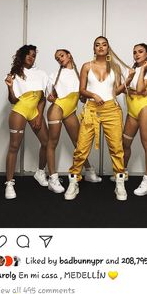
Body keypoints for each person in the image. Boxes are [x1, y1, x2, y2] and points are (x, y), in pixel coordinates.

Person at [64, 36, 135, 201]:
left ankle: (119, 182)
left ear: (108, 47)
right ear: (94, 48)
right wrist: (93, 94)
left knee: (117, 148)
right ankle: (74, 181)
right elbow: (81, 89)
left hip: (111, 109)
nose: (101, 47)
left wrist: (129, 78)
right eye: (97, 45)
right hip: (91, 109)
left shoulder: (115, 67)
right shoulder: (86, 66)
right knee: (81, 147)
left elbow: (115, 91)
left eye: (104, 45)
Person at [47, 48, 101, 193]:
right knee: (52, 143)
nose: (60, 59)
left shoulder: (80, 74)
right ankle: (53, 178)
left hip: (71, 111)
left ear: (69, 55)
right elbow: (50, 96)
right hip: (57, 109)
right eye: (57, 58)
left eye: (61, 55)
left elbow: (82, 97)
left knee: (79, 143)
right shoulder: (54, 75)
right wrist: (50, 97)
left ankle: (89, 171)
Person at [4, 45, 49, 200]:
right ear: (22, 56)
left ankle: (40, 172)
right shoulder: (15, 73)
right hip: (20, 110)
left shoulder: (42, 74)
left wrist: (39, 115)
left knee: (47, 142)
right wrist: (9, 88)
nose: (31, 57)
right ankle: (9, 183)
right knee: (14, 146)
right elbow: (13, 100)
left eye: (34, 55)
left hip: (35, 110)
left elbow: (42, 97)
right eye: (28, 54)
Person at [120, 43, 147, 196]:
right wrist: (131, 84)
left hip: (145, 108)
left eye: (140, 52)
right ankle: (123, 172)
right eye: (134, 52)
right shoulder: (129, 70)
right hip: (132, 111)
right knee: (125, 143)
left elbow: (141, 89)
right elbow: (123, 89)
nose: (137, 54)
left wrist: (142, 69)